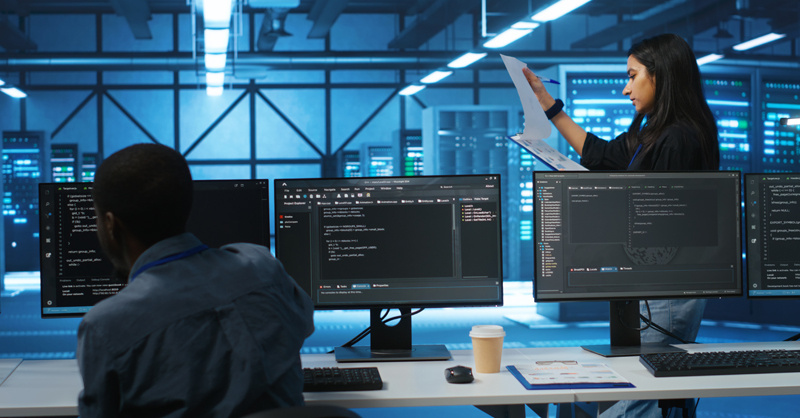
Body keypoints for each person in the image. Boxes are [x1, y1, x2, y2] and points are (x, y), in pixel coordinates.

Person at [525, 33, 718, 417]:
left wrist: (594, 202)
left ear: (660, 76)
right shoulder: (653, 133)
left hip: (665, 289)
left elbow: (655, 223)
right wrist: (547, 105)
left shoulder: (678, 139)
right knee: (656, 393)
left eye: (633, 75)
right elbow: (601, 155)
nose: (626, 87)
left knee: (643, 401)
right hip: (652, 286)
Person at [76, 143, 314, 418]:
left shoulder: (105, 326)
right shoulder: (262, 266)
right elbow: (304, 326)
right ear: (185, 205)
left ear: (109, 224)